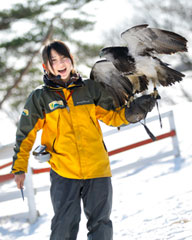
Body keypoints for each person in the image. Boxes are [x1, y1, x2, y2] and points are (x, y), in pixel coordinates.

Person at [12, 40, 155, 240]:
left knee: (101, 224)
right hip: (64, 171)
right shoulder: (40, 97)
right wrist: (19, 167)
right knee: (64, 225)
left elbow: (112, 116)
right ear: (46, 66)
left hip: (97, 168)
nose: (60, 63)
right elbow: (25, 135)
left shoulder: (90, 89)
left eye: (64, 58)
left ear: (71, 60)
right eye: (54, 60)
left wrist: (134, 112)